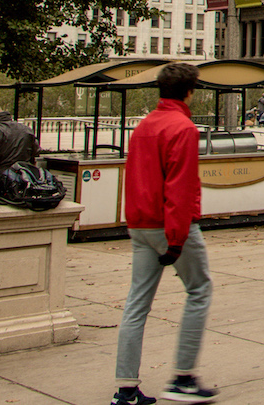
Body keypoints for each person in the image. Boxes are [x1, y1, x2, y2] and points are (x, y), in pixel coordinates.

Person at [112, 62, 216, 405]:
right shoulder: (182, 127)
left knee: (136, 304)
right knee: (199, 289)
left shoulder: (144, 126)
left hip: (139, 225)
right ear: (189, 91)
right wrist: (175, 239)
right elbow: (180, 188)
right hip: (170, 227)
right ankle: (183, 379)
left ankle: (125, 389)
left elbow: (137, 178)